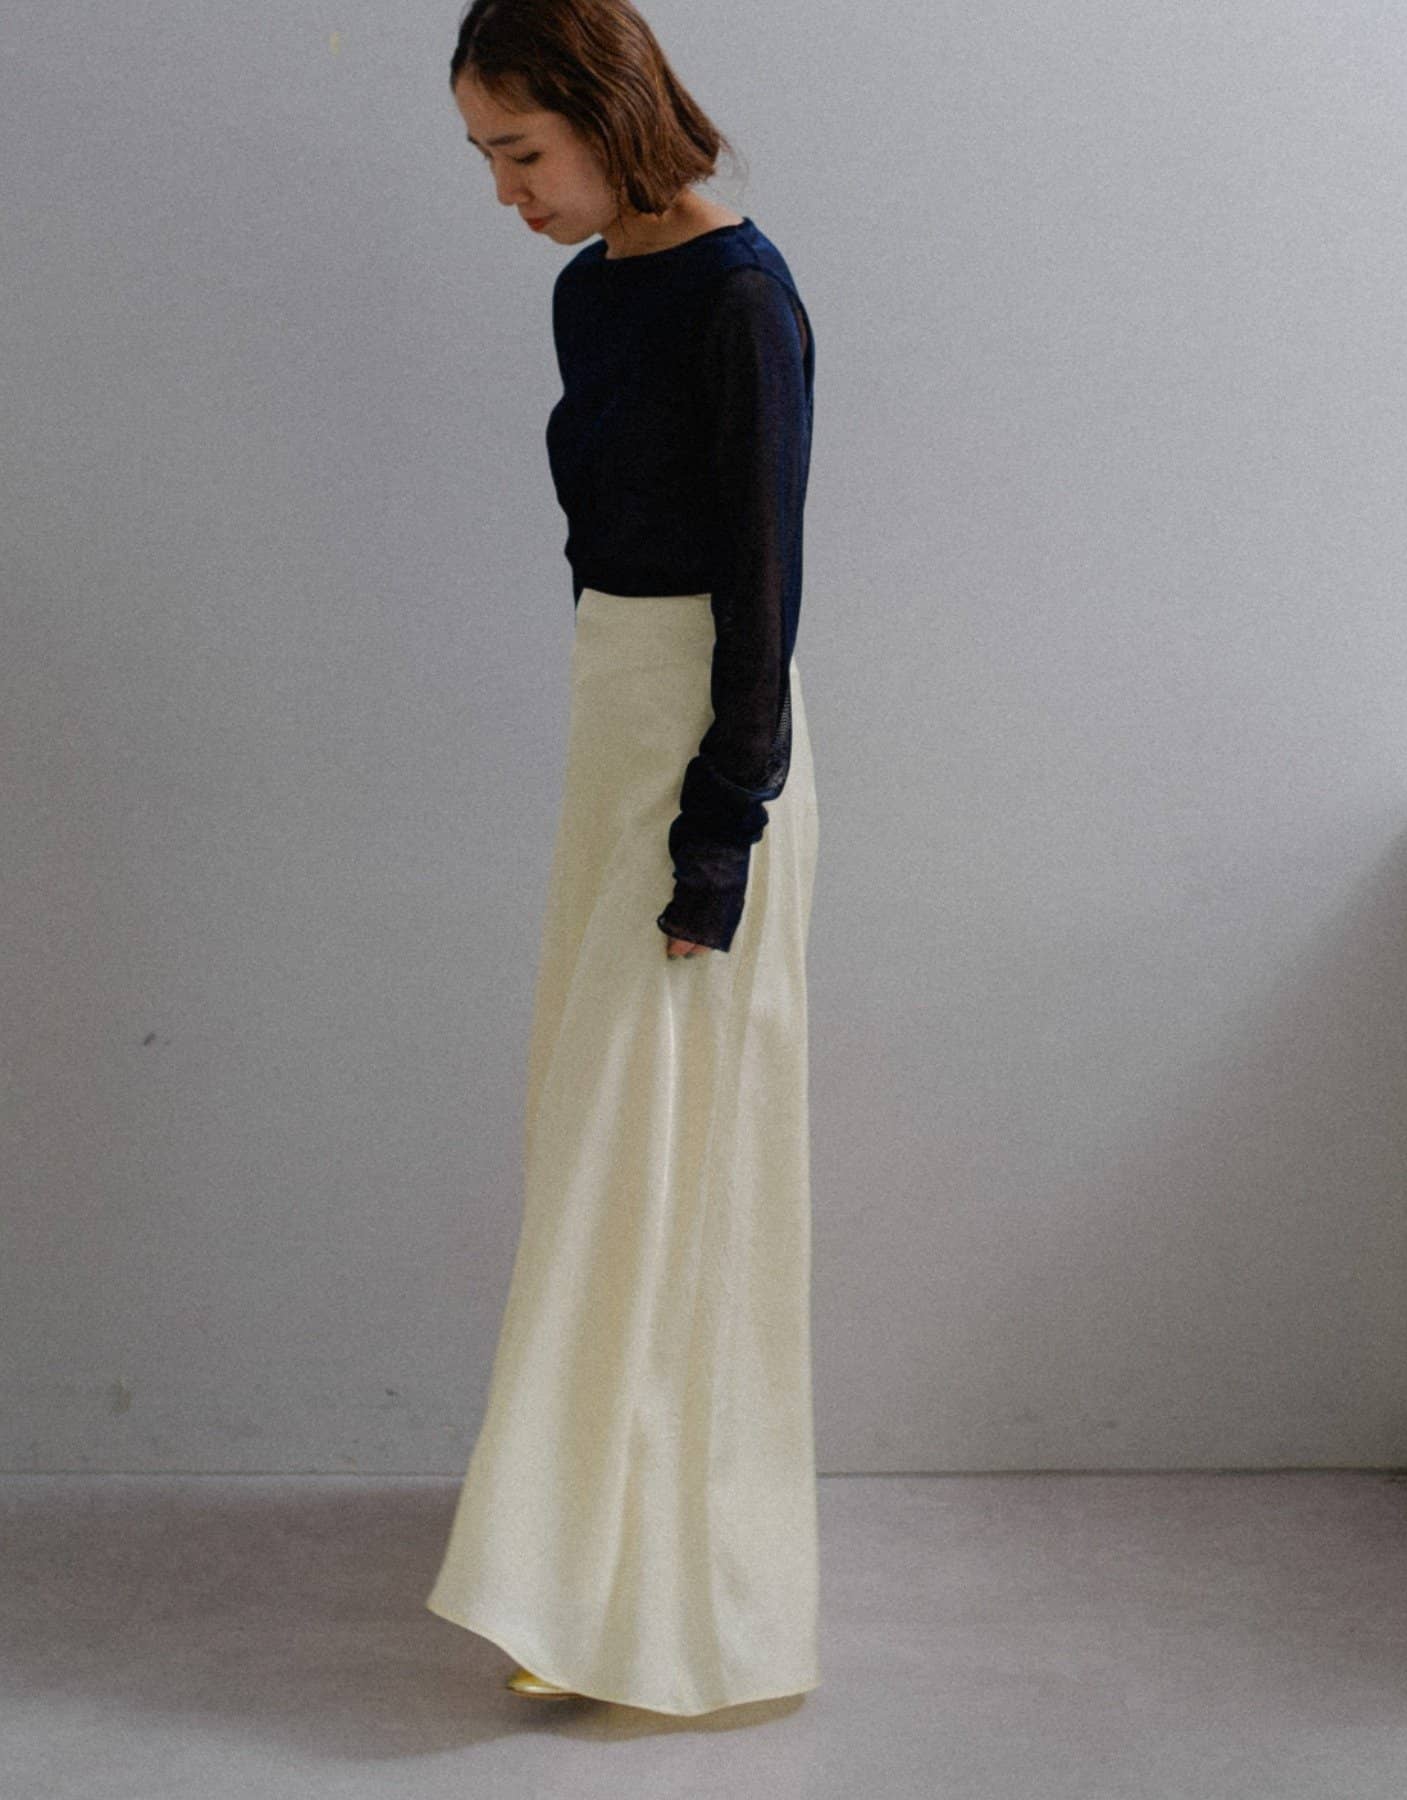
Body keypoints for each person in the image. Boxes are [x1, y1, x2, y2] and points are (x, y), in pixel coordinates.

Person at [424, 0, 821, 1717]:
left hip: (708, 761)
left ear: (605, 111)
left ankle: (653, 1597)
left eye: (522, 151)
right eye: (484, 158)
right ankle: (575, 1568)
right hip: (617, 730)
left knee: (664, 1161)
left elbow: (763, 593)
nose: (506, 193)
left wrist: (717, 837)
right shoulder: (592, 290)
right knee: (595, 1140)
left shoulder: (741, 300)